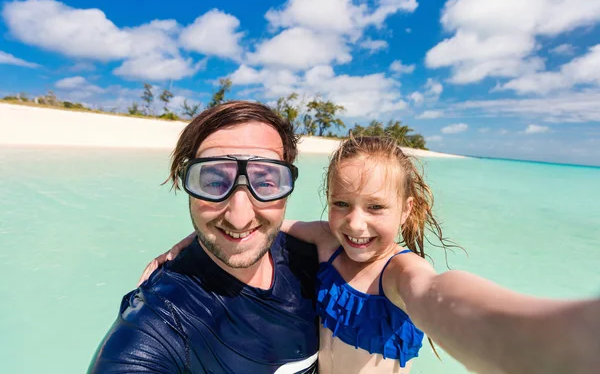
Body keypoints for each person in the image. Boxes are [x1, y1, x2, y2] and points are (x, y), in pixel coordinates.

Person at [141, 134, 600, 374]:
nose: (355, 225)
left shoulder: (400, 272)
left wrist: (535, 339)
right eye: (342, 204)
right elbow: (261, 227)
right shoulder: (326, 242)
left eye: (375, 208)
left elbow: (439, 296)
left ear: (407, 209)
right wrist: (196, 242)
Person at [89, 101, 321, 373]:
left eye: (265, 182)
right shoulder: (158, 322)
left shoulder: (319, 257)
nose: (240, 217)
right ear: (187, 185)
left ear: (286, 189)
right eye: (213, 182)